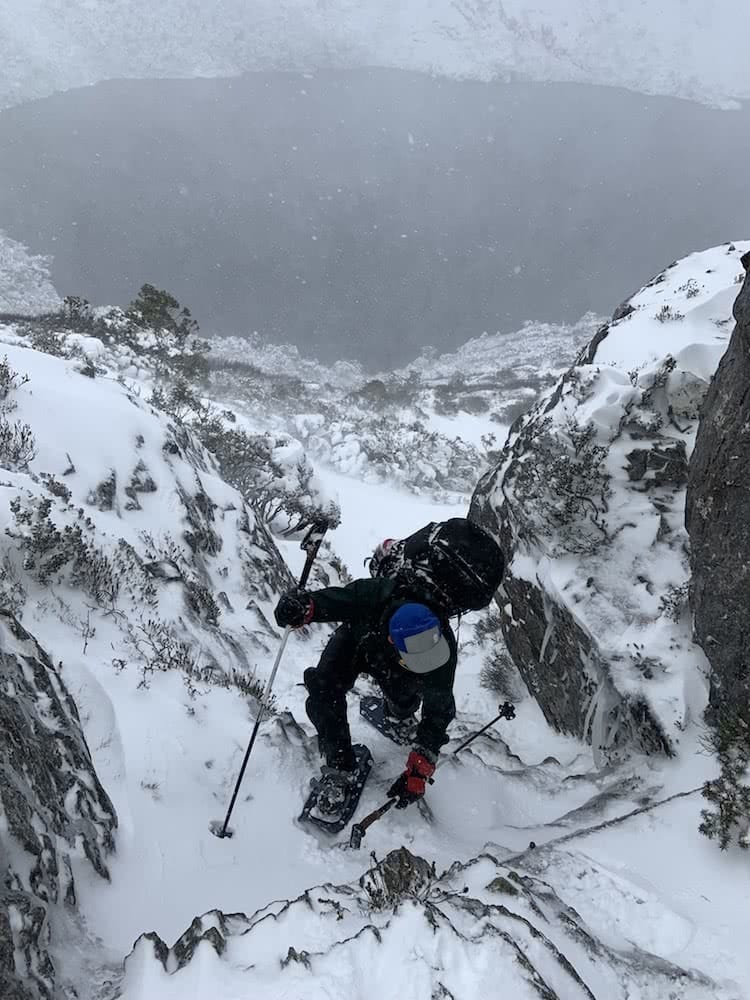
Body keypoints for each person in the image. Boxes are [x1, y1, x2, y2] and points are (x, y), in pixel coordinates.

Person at [273, 569, 457, 818]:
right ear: (394, 641)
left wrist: (421, 764)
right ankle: (339, 768)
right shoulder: (376, 594)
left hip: (399, 666)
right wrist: (305, 608)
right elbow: (338, 600)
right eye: (419, 659)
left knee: (403, 697)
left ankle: (398, 716)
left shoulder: (440, 646)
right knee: (324, 690)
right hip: (357, 642)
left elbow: (439, 706)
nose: (427, 662)